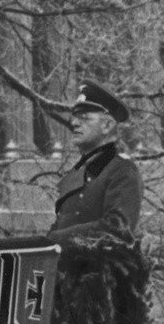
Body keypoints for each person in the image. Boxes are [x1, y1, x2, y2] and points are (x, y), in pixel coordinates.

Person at [49, 81, 143, 244]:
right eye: (75, 117)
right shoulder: (75, 175)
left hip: (101, 268)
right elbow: (59, 227)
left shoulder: (122, 170)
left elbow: (116, 229)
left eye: (84, 118)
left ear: (107, 125)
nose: (74, 123)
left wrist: (58, 238)